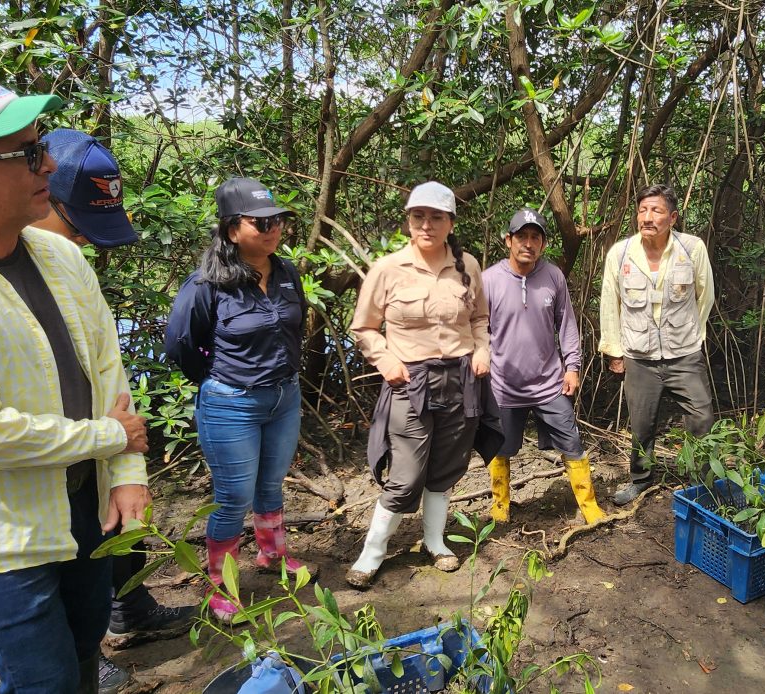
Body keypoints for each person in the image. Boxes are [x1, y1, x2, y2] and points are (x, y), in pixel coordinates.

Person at [0, 73, 150, 693]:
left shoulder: (62, 256)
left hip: (80, 507)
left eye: (40, 144)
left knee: (79, 660)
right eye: (26, 153)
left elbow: (108, 371)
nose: (48, 161)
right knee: (43, 681)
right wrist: (106, 438)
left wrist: (125, 476)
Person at [35, 128, 197, 692]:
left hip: (94, 450)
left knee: (109, 528)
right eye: (76, 227)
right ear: (38, 195)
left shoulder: (68, 268)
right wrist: (109, 435)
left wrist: (120, 450)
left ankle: (130, 610)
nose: (81, 242)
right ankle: (75, 653)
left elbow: (108, 370)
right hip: (35, 469)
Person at [165, 177, 318, 621]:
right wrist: (218, 381)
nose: (273, 229)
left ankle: (272, 555)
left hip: (283, 399)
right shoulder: (207, 284)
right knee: (232, 498)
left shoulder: (287, 273)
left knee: (270, 486)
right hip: (231, 404)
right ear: (233, 229)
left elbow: (296, 325)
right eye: (261, 222)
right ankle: (221, 584)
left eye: (278, 221)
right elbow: (180, 344)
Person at [346, 181, 490, 589]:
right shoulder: (388, 269)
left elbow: (480, 318)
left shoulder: (469, 265)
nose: (426, 225)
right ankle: (372, 553)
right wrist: (386, 359)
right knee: (407, 473)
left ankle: (434, 542)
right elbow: (364, 327)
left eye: (436, 217)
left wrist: (483, 351)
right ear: (409, 221)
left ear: (450, 222)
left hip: (461, 377)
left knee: (446, 467)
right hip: (410, 380)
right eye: (418, 216)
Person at [483, 208, 605, 524]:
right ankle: (500, 505)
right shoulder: (489, 280)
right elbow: (477, 330)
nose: (528, 243)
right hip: (503, 384)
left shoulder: (553, 277)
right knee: (500, 447)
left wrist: (572, 366)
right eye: (521, 236)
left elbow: (566, 324)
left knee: (572, 440)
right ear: (507, 240)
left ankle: (590, 507)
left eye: (535, 237)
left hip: (549, 382)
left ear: (543, 244)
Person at [598, 184, 716, 506]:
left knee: (702, 417)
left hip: (684, 354)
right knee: (641, 423)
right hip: (639, 356)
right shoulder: (620, 254)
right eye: (642, 210)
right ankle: (641, 479)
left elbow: (704, 297)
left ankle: (701, 483)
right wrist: (614, 352)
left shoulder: (691, 249)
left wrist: (692, 337)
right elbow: (611, 303)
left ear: (673, 217)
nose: (647, 218)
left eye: (656, 211)